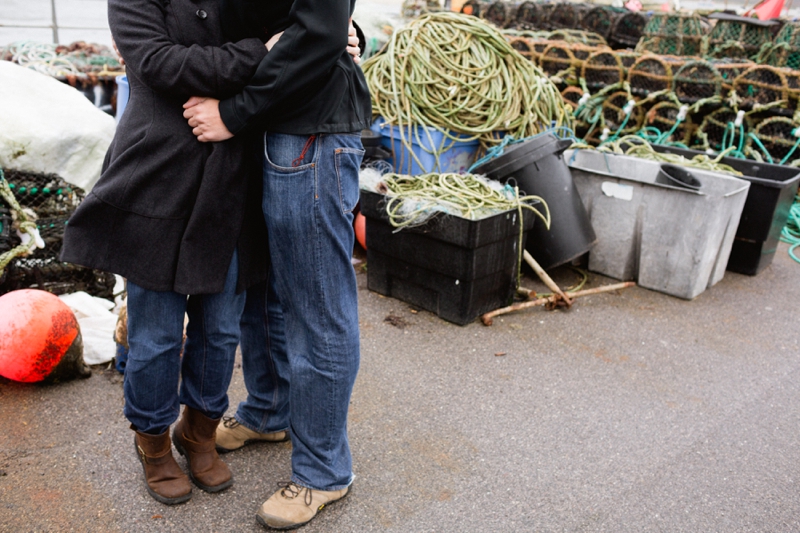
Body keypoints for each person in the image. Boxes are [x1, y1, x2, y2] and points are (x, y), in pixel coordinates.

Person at [61, 0, 360, 507]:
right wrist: (263, 52)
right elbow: (159, 61)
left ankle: (205, 433)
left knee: (228, 326)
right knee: (160, 333)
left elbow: (311, 24)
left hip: (234, 168)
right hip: (164, 173)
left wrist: (336, 35)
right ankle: (155, 440)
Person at [184, 0, 371, 528]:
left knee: (317, 306)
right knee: (262, 289)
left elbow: (319, 28)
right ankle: (268, 411)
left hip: (307, 131)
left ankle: (323, 472)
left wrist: (233, 112)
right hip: (267, 131)